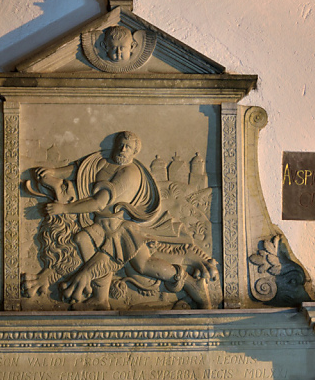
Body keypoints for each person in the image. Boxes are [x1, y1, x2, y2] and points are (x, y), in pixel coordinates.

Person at [26, 131, 218, 308]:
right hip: (100, 225)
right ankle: (100, 299)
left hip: (119, 229)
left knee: (142, 265)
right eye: (121, 144)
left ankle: (189, 282)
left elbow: (99, 203)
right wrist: (54, 173)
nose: (123, 149)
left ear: (135, 152)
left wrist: (64, 208)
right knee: (81, 239)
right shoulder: (104, 162)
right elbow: (79, 170)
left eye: (128, 147)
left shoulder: (130, 173)